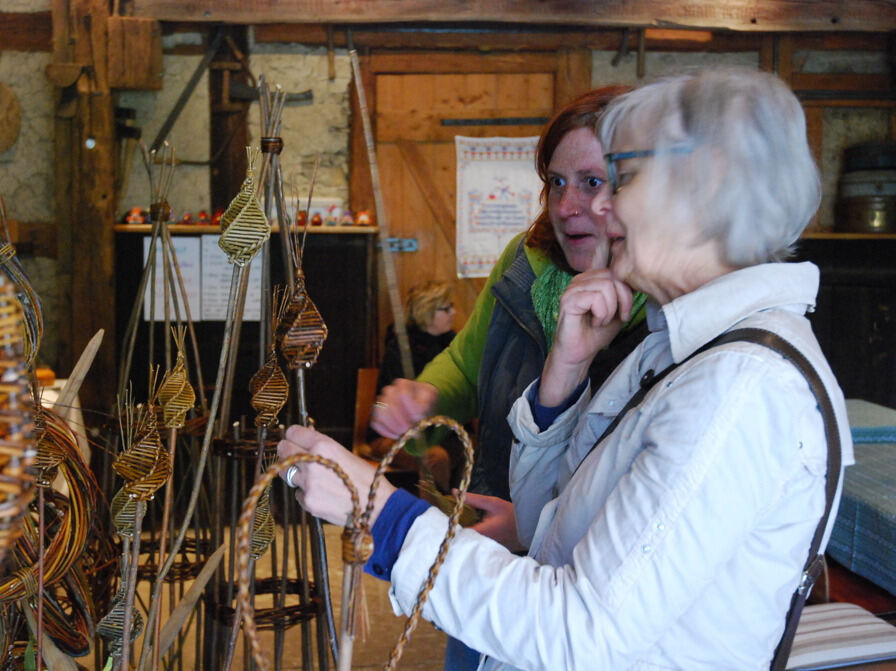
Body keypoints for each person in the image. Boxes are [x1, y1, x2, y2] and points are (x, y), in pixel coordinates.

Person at [278, 68, 854, 670]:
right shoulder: (683, 348)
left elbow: (582, 634)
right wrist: (566, 368)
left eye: (621, 179)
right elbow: (545, 517)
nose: (599, 208)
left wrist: (382, 517)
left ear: (704, 187)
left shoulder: (739, 390)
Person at [371, 86, 648, 507]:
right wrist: (424, 398)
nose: (566, 205)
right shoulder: (526, 261)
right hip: (496, 521)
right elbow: (468, 366)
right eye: (557, 182)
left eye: (592, 182)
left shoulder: (669, 300)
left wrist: (526, 531)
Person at [367, 280, 459, 491]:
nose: (453, 312)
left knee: (479, 449)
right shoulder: (400, 347)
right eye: (446, 308)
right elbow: (395, 409)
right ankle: (438, 517)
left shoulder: (452, 343)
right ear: (426, 312)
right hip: (394, 437)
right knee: (436, 458)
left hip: (443, 432)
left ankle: (461, 511)